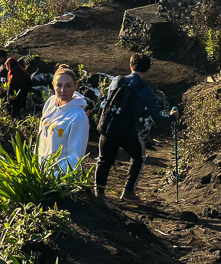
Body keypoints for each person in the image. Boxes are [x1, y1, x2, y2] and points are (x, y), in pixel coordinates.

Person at [94, 53, 176, 203]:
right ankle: (128, 191)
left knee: (104, 160)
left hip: (109, 129)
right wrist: (172, 117)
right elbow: (156, 118)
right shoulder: (146, 91)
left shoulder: (116, 81)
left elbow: (105, 102)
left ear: (131, 65)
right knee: (139, 157)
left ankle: (99, 194)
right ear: (148, 70)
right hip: (128, 133)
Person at [36, 64, 90, 173]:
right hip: (41, 173)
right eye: (59, 85)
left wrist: (55, 176)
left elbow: (75, 157)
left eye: (68, 86)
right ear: (53, 85)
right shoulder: (51, 103)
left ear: (75, 86)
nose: (62, 90)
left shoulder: (78, 117)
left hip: (59, 180)